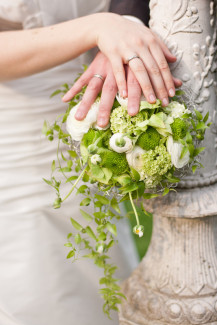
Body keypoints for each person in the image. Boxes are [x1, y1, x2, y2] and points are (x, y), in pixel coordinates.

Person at [0, 1, 181, 325]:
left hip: (96, 131)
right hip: (16, 141)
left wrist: (125, 22)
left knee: (100, 282)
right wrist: (97, 28)